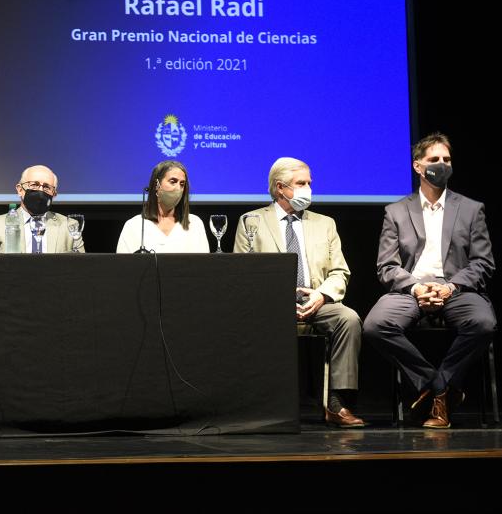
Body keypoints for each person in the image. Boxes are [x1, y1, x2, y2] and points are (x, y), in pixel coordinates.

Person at [364, 132, 495, 429]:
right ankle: (438, 386)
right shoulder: (396, 211)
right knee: (375, 325)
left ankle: (439, 391)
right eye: (434, 159)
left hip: (457, 288)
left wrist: (451, 287)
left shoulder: (472, 209)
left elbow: (483, 263)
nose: (442, 164)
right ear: (418, 167)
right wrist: (416, 287)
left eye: (447, 159)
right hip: (411, 289)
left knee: (484, 323)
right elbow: (386, 266)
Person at [235, 157, 364, 427]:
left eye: (310, 183)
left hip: (316, 302)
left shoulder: (325, 223)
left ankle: (337, 403)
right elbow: (242, 274)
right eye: (301, 183)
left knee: (348, 318)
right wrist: (278, 298)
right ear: (280, 188)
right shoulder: (251, 221)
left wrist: (321, 296)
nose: (308, 189)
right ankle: (260, 404)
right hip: (270, 305)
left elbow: (340, 272)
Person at [0, 165, 84, 253]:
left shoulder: (70, 225)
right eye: (34, 185)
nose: (40, 191)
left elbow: (81, 267)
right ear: (20, 190)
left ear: (54, 194)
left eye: (47, 187)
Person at [116, 160, 209, 253]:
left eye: (182, 184)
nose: (178, 188)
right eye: (173, 181)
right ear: (157, 185)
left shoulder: (194, 223)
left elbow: (204, 265)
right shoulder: (134, 225)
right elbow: (123, 265)